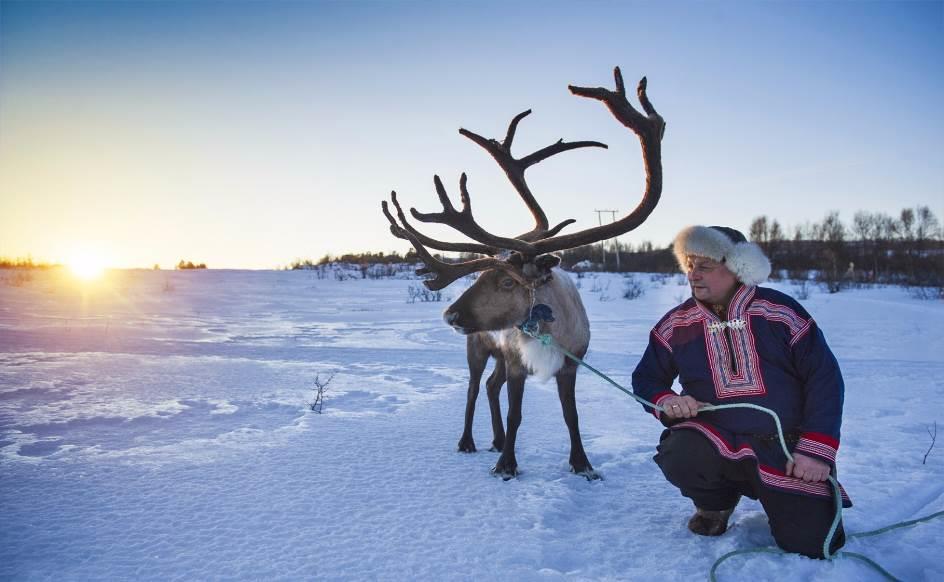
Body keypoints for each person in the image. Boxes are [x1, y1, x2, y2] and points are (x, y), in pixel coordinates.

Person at [631, 225, 850, 558]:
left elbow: (824, 379)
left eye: (704, 265)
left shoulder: (781, 313)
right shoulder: (676, 324)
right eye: (689, 264)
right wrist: (668, 400)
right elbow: (646, 379)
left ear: (737, 267)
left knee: (816, 545)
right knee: (680, 452)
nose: (693, 274)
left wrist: (816, 451)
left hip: (787, 451)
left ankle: (790, 499)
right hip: (716, 442)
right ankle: (715, 504)